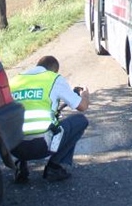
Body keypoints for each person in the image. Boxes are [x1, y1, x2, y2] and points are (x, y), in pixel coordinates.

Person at [9, 55, 90, 183]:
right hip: (41, 146)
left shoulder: (14, 81)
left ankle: (20, 166)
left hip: (15, 148)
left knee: (21, 119)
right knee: (80, 121)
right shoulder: (53, 78)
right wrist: (84, 94)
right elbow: (82, 106)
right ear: (54, 70)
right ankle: (54, 167)